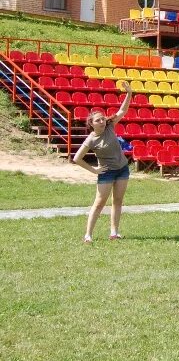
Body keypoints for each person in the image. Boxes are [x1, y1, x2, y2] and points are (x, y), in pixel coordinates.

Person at [72, 80, 134, 243]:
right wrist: (94, 170)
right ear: (91, 124)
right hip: (106, 173)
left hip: (122, 169)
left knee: (118, 201)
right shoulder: (91, 139)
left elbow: (123, 110)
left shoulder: (110, 126)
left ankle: (114, 232)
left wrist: (129, 93)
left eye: (102, 118)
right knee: (99, 203)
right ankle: (88, 235)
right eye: (98, 120)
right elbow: (77, 158)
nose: (102, 121)